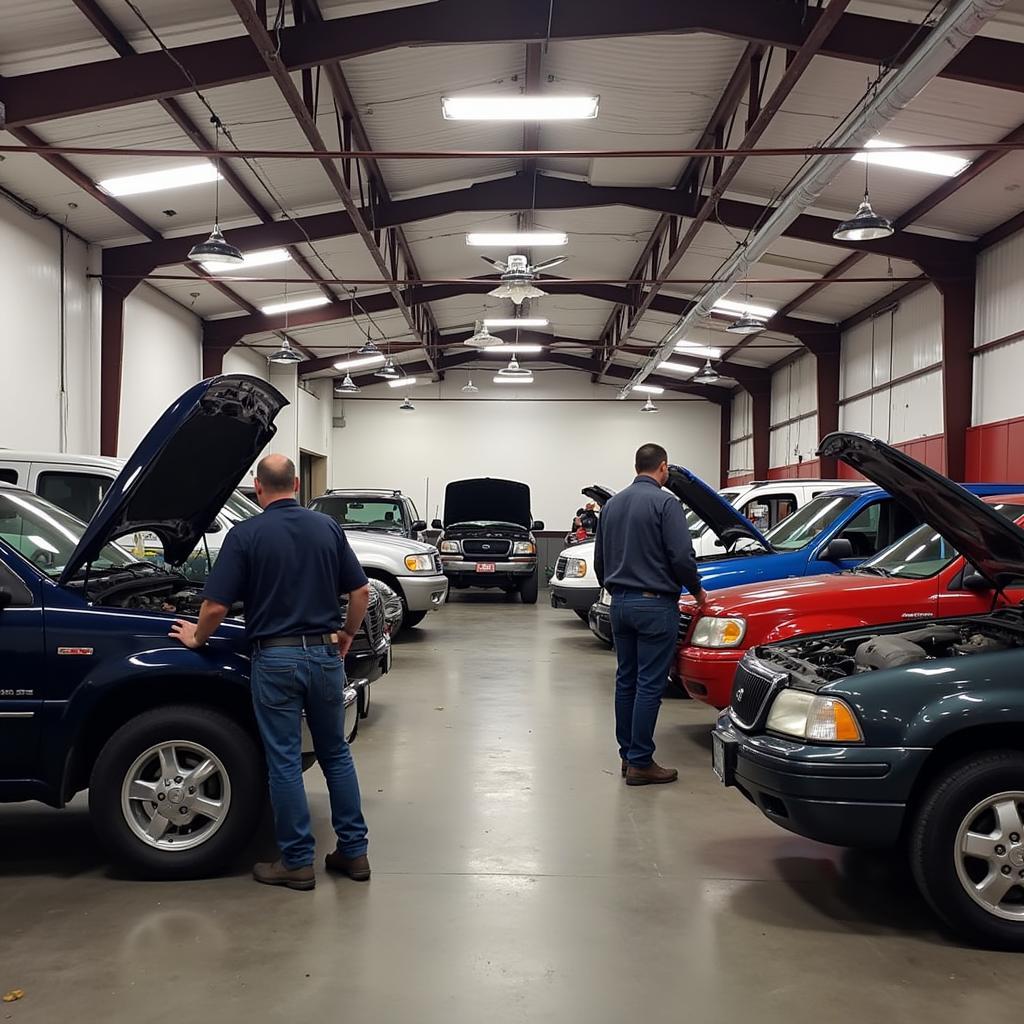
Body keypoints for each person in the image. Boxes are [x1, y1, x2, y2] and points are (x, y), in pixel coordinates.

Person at [169, 454, 372, 891]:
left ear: (258, 489)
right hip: (323, 657)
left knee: (283, 760)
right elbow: (361, 590)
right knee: (335, 753)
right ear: (296, 484)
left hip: (276, 660)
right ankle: (353, 854)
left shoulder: (245, 534)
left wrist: (197, 639)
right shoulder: (327, 528)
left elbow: (216, 606)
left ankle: (297, 862)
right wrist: (347, 636)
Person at [594, 444, 706, 786]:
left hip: (621, 605)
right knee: (649, 684)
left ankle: (628, 756)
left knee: (625, 679)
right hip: (655, 606)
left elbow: (600, 560)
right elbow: (682, 556)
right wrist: (697, 590)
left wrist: (615, 590)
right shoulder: (666, 503)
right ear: (663, 467)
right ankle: (642, 760)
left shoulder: (611, 505)